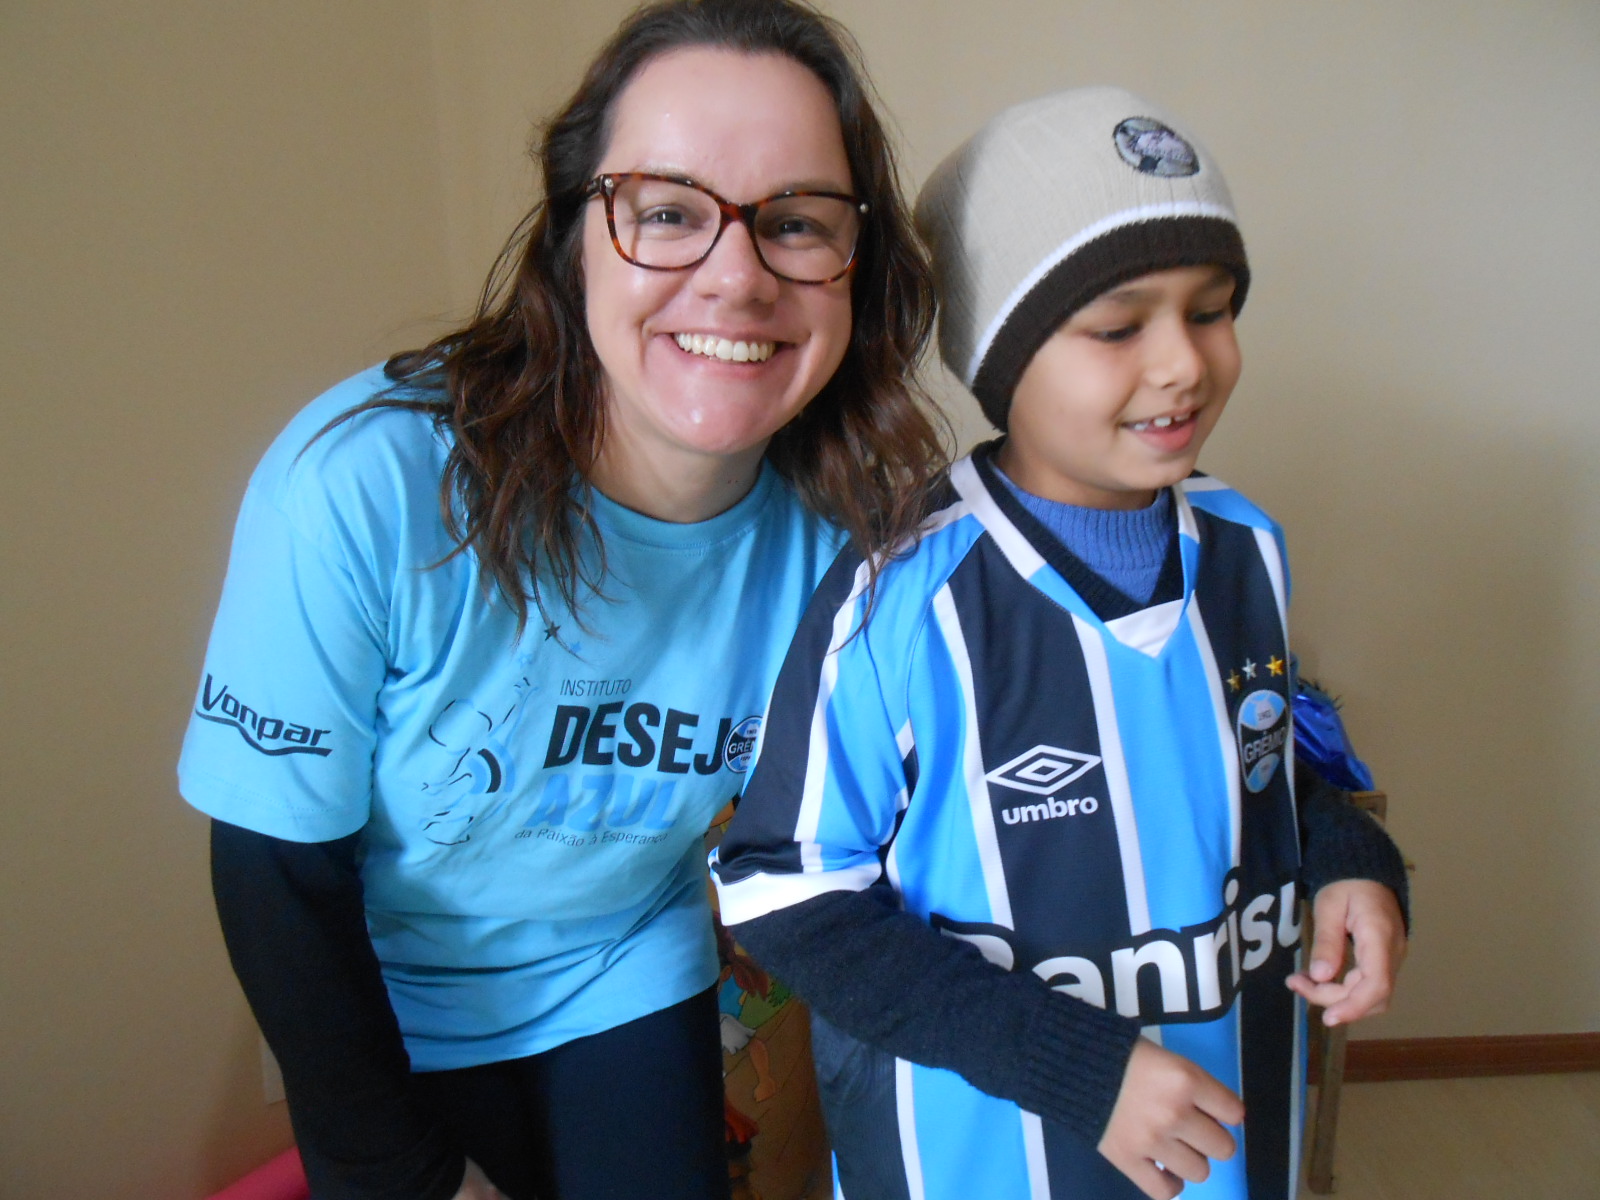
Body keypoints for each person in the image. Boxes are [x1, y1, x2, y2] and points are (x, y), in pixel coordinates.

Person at [177, 3, 944, 1198]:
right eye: (669, 213)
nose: (735, 278)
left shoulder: (851, 533)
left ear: (857, 266)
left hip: (620, 963)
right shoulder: (364, 488)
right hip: (376, 989)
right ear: (572, 237)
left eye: (795, 221)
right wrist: (408, 1175)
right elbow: (275, 879)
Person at [710, 87, 1410, 1200]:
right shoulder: (900, 596)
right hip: (978, 1163)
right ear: (1001, 352)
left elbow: (1265, 776)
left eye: (1213, 308)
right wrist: (1070, 1067)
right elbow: (782, 896)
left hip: (1226, 1153)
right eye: (1119, 326)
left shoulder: (1244, 546)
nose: (1182, 363)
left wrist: (1350, 869)